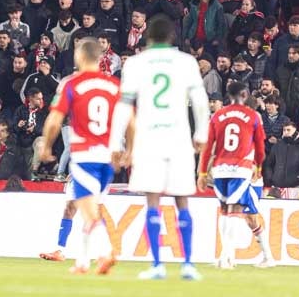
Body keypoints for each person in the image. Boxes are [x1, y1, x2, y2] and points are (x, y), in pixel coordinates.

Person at [110, 14, 210, 281]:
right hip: (178, 136)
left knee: (152, 200)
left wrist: (116, 142)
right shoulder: (187, 62)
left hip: (149, 137)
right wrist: (201, 132)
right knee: (182, 201)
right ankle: (188, 264)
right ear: (173, 37)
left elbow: (124, 104)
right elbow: (199, 100)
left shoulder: (135, 64)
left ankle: (157, 265)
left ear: (148, 38)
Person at [39, 39, 121, 275]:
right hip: (107, 157)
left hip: (85, 155)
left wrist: (46, 145)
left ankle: (105, 251)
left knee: (87, 209)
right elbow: (130, 120)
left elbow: (55, 119)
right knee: (86, 208)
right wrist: (127, 150)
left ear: (80, 57)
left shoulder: (72, 83)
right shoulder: (114, 85)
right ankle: (82, 261)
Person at [197, 81, 273, 269]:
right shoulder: (252, 116)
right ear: (244, 94)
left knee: (236, 212)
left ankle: (240, 256)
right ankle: (227, 256)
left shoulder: (218, 116)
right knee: (236, 211)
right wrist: (259, 167)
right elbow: (261, 147)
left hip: (221, 169)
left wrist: (203, 172)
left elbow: (207, 147)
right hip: (243, 169)